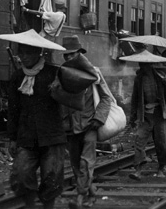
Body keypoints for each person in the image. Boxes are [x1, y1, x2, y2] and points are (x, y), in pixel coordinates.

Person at [7, 32, 67, 209]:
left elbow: (71, 97)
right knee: (21, 174)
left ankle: (48, 206)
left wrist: (59, 90)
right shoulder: (17, 77)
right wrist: (12, 138)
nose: (23, 57)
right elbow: (13, 110)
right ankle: (30, 205)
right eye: (20, 54)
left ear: (37, 54)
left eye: (27, 53)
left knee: (52, 177)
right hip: (26, 136)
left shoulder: (54, 73)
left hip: (52, 135)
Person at [61, 36, 112, 209]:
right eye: (66, 55)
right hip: (70, 126)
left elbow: (106, 98)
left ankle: (80, 198)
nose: (68, 58)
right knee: (75, 164)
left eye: (72, 54)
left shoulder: (94, 73)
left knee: (85, 162)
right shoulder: (62, 74)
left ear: (80, 54)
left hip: (90, 124)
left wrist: (99, 118)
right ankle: (92, 192)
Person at [129, 54, 166, 180]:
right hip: (145, 114)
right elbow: (135, 98)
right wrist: (132, 116)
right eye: (141, 64)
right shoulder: (139, 79)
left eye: (145, 64)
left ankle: (162, 167)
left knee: (161, 142)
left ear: (150, 64)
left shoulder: (160, 76)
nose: (142, 67)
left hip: (159, 113)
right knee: (139, 140)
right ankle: (138, 169)